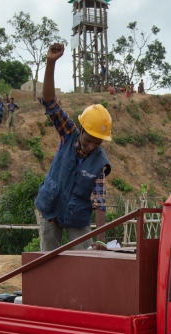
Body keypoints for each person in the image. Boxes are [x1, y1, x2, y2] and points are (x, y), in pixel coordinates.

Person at [34, 43, 112, 252]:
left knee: (86, 262)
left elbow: (100, 202)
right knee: (47, 262)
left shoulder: (100, 163)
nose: (92, 146)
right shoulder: (68, 134)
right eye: (89, 140)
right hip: (50, 208)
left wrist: (100, 240)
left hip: (77, 217)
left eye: (98, 142)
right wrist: (51, 62)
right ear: (81, 129)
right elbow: (50, 102)